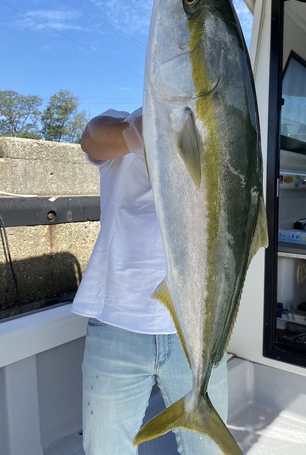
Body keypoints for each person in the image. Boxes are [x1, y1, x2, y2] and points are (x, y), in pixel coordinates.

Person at [72, 108, 229, 455]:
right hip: (117, 324)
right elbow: (91, 139)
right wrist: (152, 124)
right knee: (106, 449)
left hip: (196, 330)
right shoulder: (121, 120)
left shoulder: (217, 141)